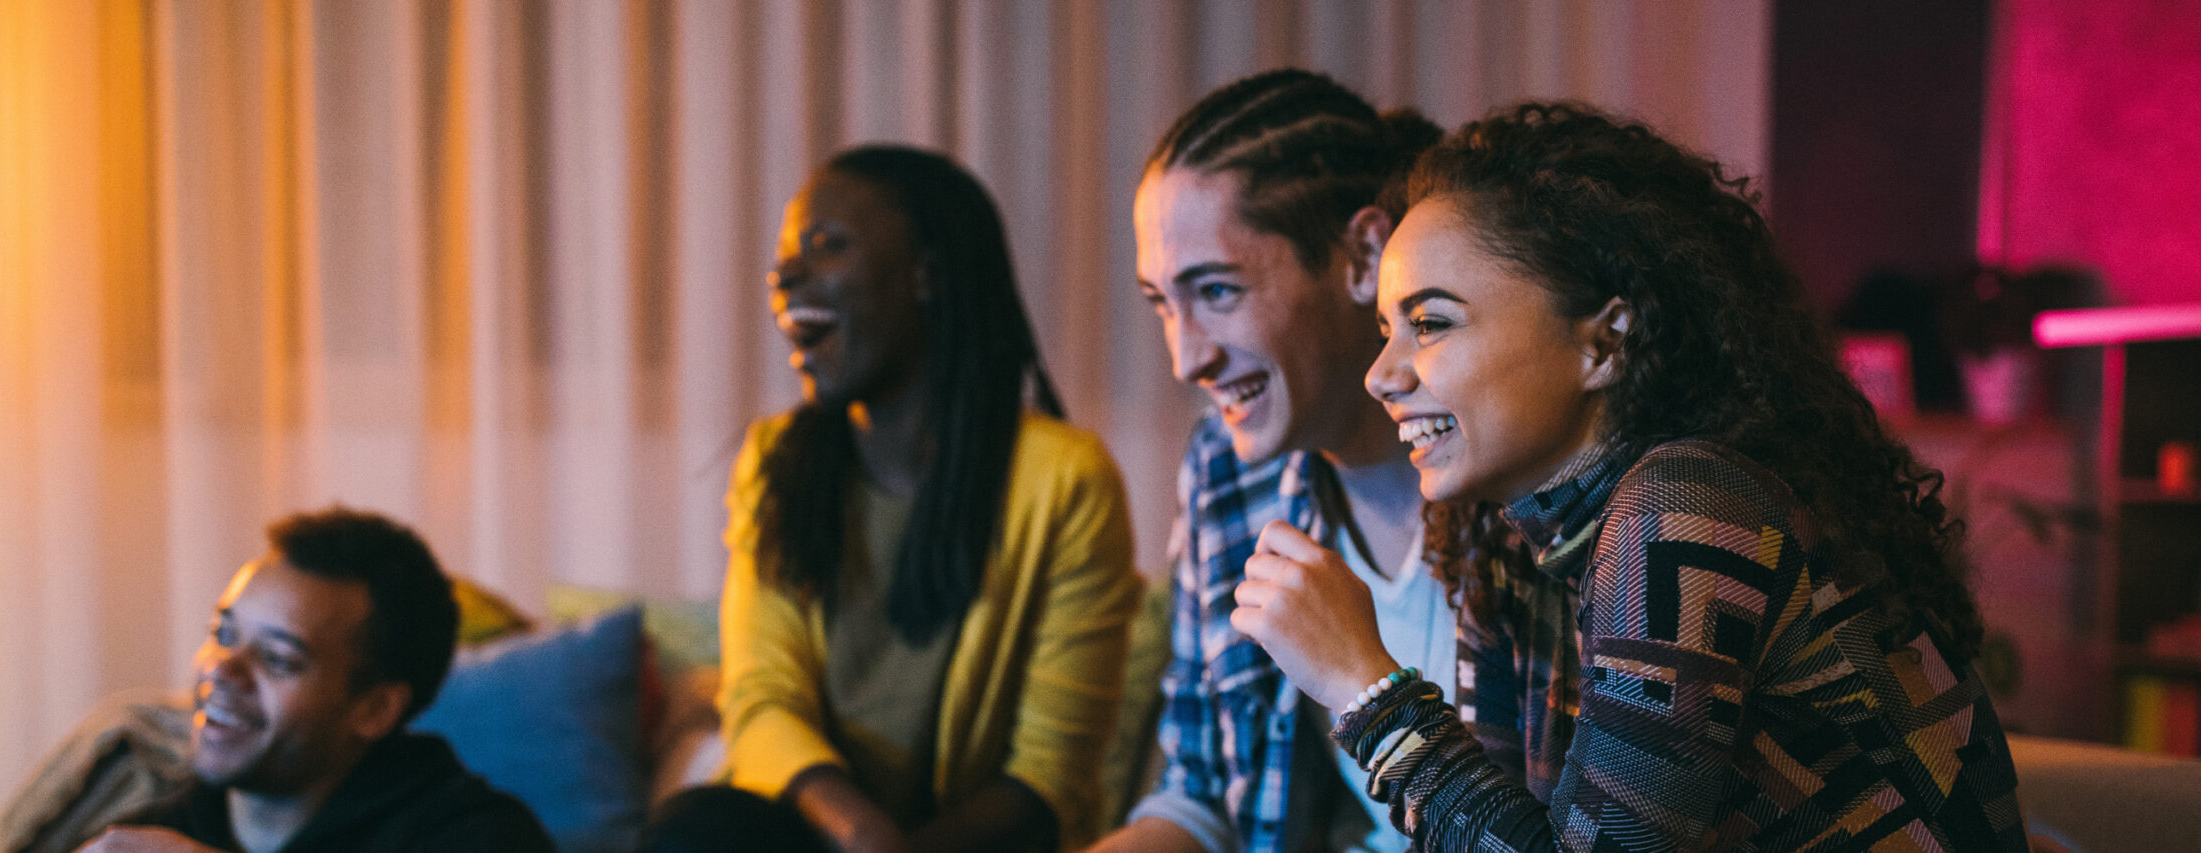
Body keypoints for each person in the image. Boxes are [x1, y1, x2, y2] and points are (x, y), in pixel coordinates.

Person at [1230, 102, 2028, 851]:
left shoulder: (1688, 512)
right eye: (1386, 329)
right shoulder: (1504, 545)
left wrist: (1360, 683)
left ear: (1605, 343)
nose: (1381, 375)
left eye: (1431, 324)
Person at [647, 145, 1138, 853]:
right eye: (786, 254)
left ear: (927, 274)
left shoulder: (1067, 480)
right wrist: (862, 830)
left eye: (827, 245)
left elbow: (1048, 777)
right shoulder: (773, 461)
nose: (783, 274)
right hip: (819, 833)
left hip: (978, 845)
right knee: (694, 832)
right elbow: (762, 698)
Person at [1089, 69, 1445, 853]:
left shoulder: (1510, 474)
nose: (1186, 359)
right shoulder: (1228, 468)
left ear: (1361, 256)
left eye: (1215, 291)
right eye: (1161, 301)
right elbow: (1203, 794)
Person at [77, 508, 554, 853]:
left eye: (278, 659)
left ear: (374, 709)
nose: (222, 668)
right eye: (224, 634)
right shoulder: (153, 828)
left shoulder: (482, 837)